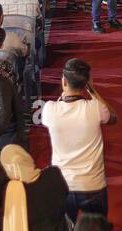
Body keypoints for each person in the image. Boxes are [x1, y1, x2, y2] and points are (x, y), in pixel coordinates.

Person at [41, 58, 116, 220]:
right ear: (86, 84)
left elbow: (57, 106)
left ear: (63, 82)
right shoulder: (95, 107)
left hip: (63, 185)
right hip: (93, 185)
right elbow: (113, 117)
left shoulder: (50, 110)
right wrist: (93, 91)